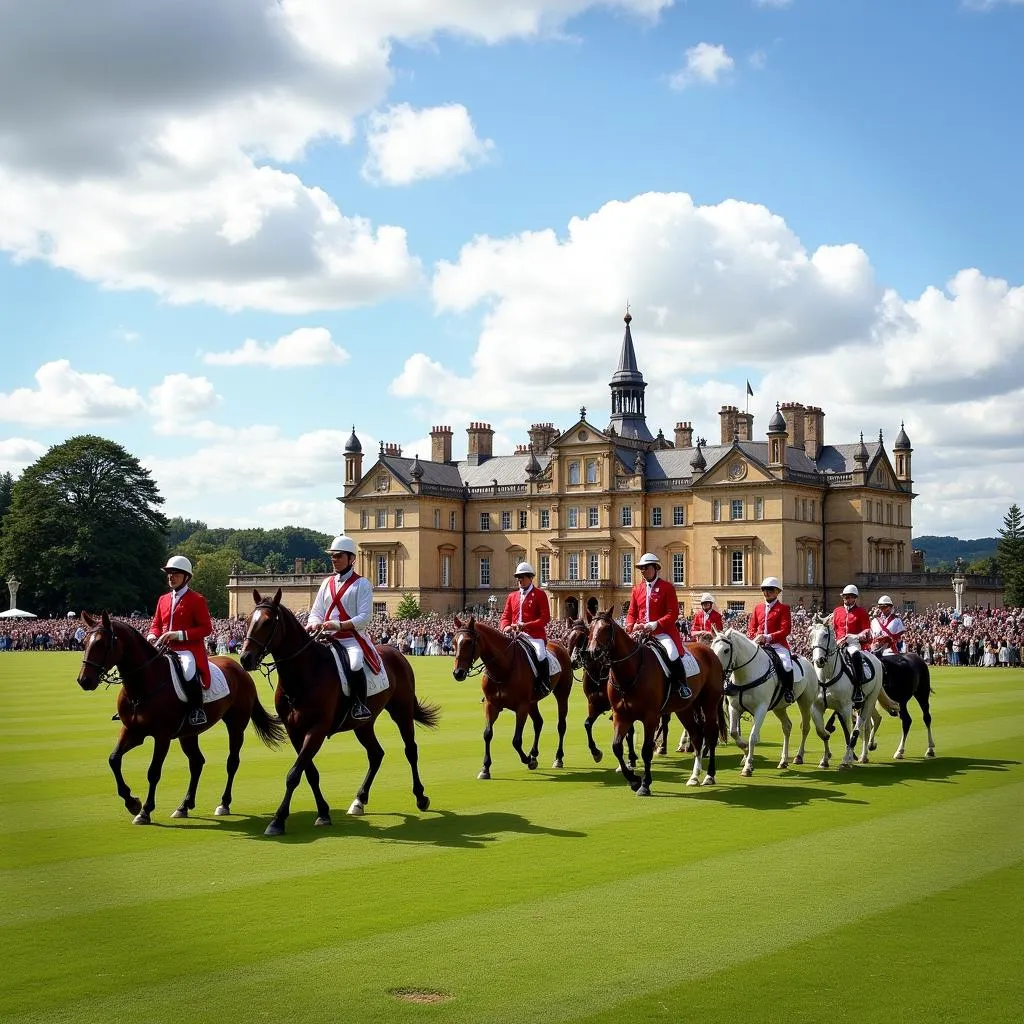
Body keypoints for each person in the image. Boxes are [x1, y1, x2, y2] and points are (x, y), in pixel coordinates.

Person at [306, 535, 379, 721]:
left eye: (338, 556)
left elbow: (364, 618)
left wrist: (339, 625)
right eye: (332, 556)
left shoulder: (362, 584)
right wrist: (313, 622)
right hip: (325, 638)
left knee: (355, 664)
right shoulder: (326, 583)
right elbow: (316, 611)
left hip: (351, 639)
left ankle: (359, 704)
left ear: (351, 558)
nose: (334, 559)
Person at [147, 555, 214, 727]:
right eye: (169, 573)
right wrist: (152, 635)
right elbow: (156, 624)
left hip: (187, 650)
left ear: (186, 577)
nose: (171, 577)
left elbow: (206, 629)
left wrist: (179, 635)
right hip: (163, 648)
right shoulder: (163, 599)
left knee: (188, 671)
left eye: (176, 573)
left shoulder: (197, 599)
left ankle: (197, 710)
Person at [625, 552, 691, 700]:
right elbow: (631, 613)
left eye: (646, 567)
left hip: (662, 633)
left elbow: (672, 613)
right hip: (640, 634)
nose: (643, 570)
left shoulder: (667, 587)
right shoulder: (637, 589)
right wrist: (631, 625)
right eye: (641, 568)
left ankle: (682, 685)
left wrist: (656, 624)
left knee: (672, 654)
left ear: (655, 568)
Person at [500, 561, 552, 698]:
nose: (519, 580)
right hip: (514, 635)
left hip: (534, 636)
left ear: (530, 578)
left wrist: (526, 625)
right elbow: (505, 616)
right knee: (500, 654)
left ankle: (544, 683)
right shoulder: (512, 596)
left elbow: (545, 618)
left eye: (522, 577)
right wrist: (505, 627)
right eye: (518, 577)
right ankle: (497, 685)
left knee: (541, 655)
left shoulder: (540, 594)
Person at [747, 576, 794, 703]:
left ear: (778, 591)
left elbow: (785, 630)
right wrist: (754, 636)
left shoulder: (783, 608)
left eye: (770, 590)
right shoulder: (758, 608)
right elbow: (752, 627)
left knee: (787, 664)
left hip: (777, 645)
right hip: (759, 643)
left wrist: (768, 637)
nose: (767, 592)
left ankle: (788, 690)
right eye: (764, 590)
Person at [833, 583, 872, 707]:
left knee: (855, 655)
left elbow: (867, 630)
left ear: (855, 598)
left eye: (850, 597)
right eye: (846, 597)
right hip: (838, 642)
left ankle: (858, 687)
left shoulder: (861, 612)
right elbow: (833, 628)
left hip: (853, 643)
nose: (848, 599)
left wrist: (855, 636)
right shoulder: (837, 611)